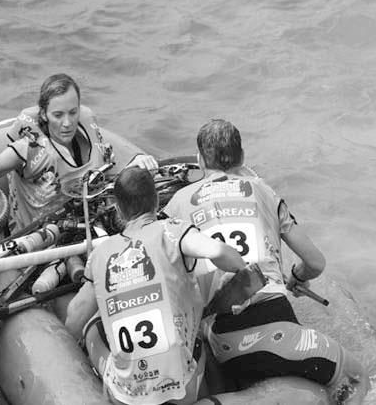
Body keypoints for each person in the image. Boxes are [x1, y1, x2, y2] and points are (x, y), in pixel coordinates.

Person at [162, 119, 370, 404]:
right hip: (270, 331)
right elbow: (315, 263)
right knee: (356, 378)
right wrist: (297, 276)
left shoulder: (177, 202)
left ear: (200, 160)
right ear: (242, 157)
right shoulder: (263, 191)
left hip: (220, 338)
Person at [65, 167, 247, 405]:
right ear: (157, 201)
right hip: (181, 391)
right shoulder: (173, 231)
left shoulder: (100, 254)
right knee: (199, 335)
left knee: (92, 327)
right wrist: (241, 270)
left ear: (118, 210)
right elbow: (219, 252)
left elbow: (73, 320)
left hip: (128, 397)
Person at [0, 73, 157, 229]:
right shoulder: (28, 149)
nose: (67, 123)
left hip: (87, 224)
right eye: (58, 115)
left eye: (73, 112)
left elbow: (108, 175)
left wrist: (137, 161)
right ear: (44, 115)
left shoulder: (90, 134)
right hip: (39, 236)